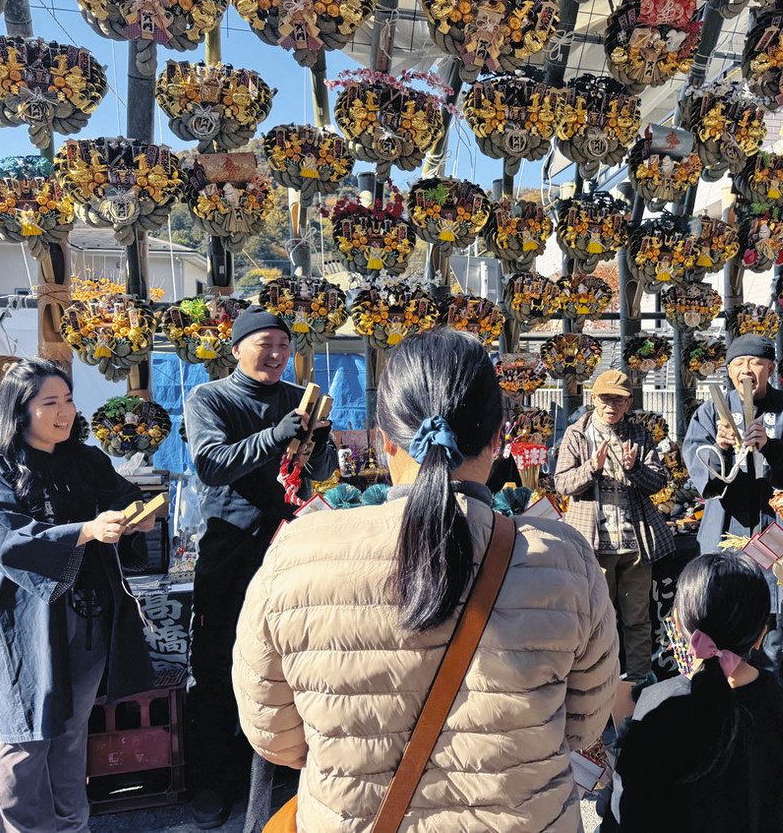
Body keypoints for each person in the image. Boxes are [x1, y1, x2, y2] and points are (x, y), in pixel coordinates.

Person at [232, 328, 618, 830]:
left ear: (385, 437)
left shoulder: (296, 556)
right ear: (498, 438)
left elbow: (275, 738)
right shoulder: (563, 558)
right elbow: (585, 723)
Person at [0, 359, 156, 833]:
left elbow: (123, 496)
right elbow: (5, 539)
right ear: (20, 411)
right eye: (50, 403)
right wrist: (86, 530)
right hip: (21, 619)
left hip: (88, 613)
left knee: (70, 733)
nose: (64, 412)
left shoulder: (86, 459)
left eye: (68, 400)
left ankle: (71, 825)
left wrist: (138, 517)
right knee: (27, 732)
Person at [183, 305, 337, 828]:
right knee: (220, 664)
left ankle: (292, 773)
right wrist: (277, 434)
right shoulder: (210, 398)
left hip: (293, 546)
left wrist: (317, 443)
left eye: (281, 345)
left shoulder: (301, 399)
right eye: (263, 344)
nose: (274, 354)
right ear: (236, 348)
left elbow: (326, 468)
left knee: (297, 663)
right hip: (231, 552)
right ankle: (211, 780)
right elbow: (210, 463)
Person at [602, 551, 783, 832]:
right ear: (761, 634)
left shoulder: (660, 704)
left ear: (678, 624)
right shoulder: (771, 696)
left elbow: (630, 813)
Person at [682, 334, 783, 674]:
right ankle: (721, 683)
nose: (746, 371)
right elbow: (697, 460)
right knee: (720, 601)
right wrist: (722, 448)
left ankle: (768, 684)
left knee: (772, 607)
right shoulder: (710, 410)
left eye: (755, 363)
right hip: (726, 522)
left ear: (770, 368)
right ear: (729, 370)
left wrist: (772, 446)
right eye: (738, 364)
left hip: (775, 519)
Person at [554, 369, 673, 719]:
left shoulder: (639, 433)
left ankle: (635, 692)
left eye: (619, 399)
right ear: (594, 399)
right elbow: (562, 483)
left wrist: (635, 469)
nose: (612, 405)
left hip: (635, 542)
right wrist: (593, 465)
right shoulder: (577, 433)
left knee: (637, 619)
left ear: (629, 402)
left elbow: (659, 481)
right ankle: (598, 692)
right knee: (598, 622)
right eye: (606, 398)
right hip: (593, 544)